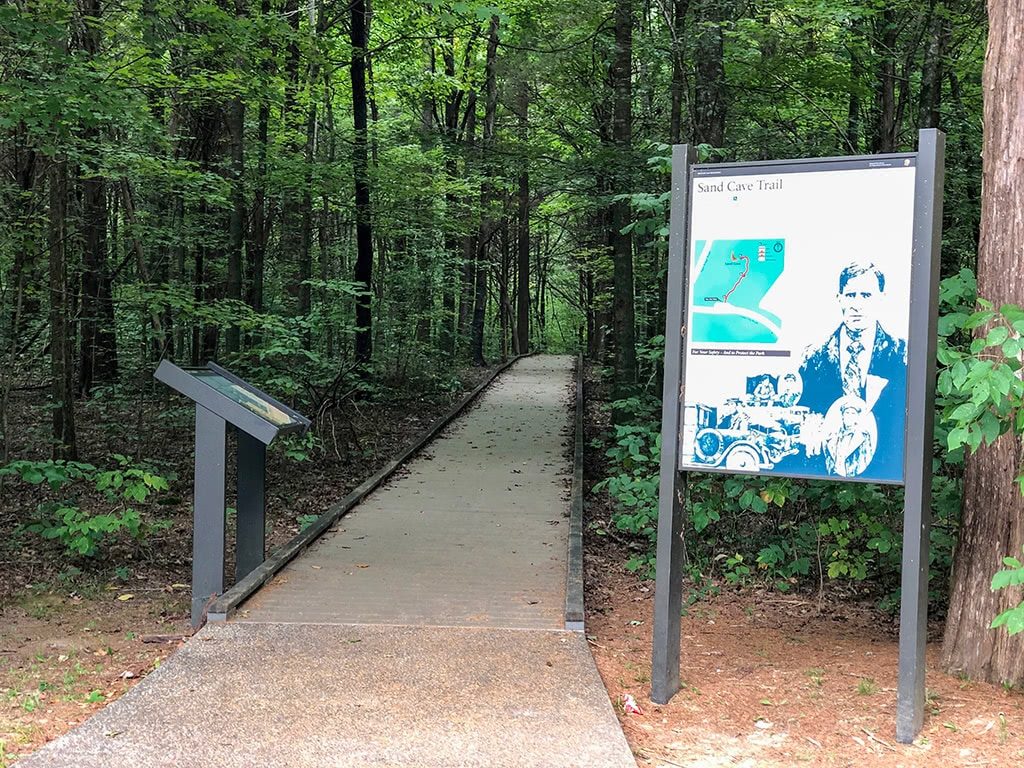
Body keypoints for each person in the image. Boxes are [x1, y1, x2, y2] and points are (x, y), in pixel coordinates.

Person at [797, 261, 906, 481]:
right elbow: (804, 412)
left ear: (881, 297)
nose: (857, 304)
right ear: (839, 298)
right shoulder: (813, 357)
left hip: (884, 473)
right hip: (820, 474)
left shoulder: (902, 354)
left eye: (866, 295)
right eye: (850, 295)